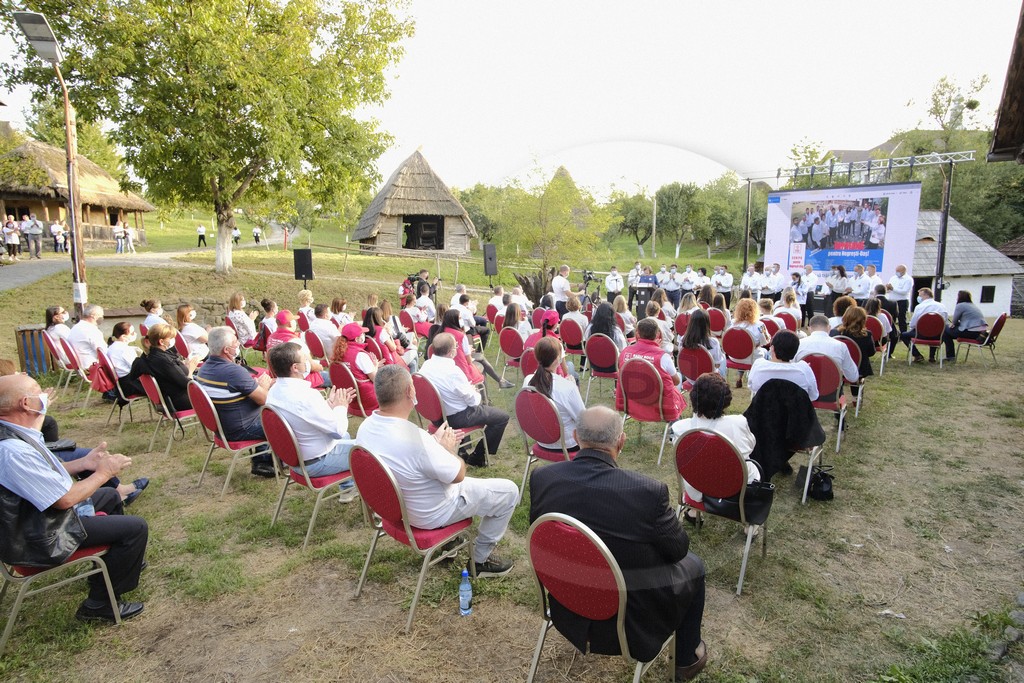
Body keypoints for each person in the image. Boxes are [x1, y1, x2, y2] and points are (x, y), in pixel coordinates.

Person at [529, 405, 708, 680]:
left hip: (565, 603)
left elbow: (543, 536)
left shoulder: (543, 478)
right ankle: (685, 658)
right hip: (629, 623)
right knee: (694, 565)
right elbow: (677, 550)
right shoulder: (647, 493)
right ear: (620, 441)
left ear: (576, 437)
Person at [0, 374, 149, 623]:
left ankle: (115, 567)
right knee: (135, 528)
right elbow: (65, 500)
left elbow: (40, 478)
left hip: (34, 520)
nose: (46, 395)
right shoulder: (13, 451)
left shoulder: (15, 434)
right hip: (37, 536)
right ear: (26, 403)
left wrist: (83, 463)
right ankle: (100, 604)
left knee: (111, 496)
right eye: (40, 391)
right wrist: (103, 472)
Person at [356, 365, 517, 577]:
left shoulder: (366, 427)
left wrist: (433, 444)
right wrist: (447, 450)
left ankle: (453, 541)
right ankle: (481, 560)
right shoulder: (415, 439)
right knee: (509, 492)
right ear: (409, 392)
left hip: (396, 509)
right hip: (430, 514)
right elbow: (458, 474)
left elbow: (407, 457)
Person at [265, 343, 358, 501]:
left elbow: (304, 417)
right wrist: (341, 407)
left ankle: (348, 488)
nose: (309, 362)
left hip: (294, 460)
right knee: (372, 451)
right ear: (295, 367)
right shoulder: (306, 396)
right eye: (305, 359)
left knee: (348, 437)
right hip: (315, 463)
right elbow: (338, 430)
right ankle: (384, 505)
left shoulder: (274, 391)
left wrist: (328, 405)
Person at [671, 372, 758, 520]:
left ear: (693, 398)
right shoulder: (738, 422)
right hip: (736, 488)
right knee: (754, 467)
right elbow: (750, 446)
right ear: (726, 400)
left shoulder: (680, 429)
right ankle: (751, 524)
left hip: (698, 487)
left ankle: (693, 511)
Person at [194, 327, 276, 477]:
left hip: (222, 426)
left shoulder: (204, 368)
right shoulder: (234, 371)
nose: (238, 343)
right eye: (235, 341)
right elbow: (264, 399)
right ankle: (295, 463)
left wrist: (253, 385)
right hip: (241, 428)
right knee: (283, 420)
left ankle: (262, 460)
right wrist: (263, 386)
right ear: (226, 350)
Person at [419, 333, 510, 467]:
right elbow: (474, 402)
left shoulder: (426, 366)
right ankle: (477, 456)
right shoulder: (453, 371)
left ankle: (462, 450)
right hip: (456, 417)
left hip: (436, 417)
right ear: (451, 352)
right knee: (502, 417)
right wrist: (472, 390)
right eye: (456, 346)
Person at [615, 319, 685, 421]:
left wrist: (654, 348)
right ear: (657, 335)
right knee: (677, 375)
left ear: (637, 334)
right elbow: (676, 381)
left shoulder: (625, 352)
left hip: (632, 401)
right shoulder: (663, 357)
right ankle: (674, 426)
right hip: (659, 405)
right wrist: (657, 349)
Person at [136, 324, 200, 413]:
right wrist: (190, 369)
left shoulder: (152, 355)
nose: (173, 340)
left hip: (175, 396)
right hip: (182, 400)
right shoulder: (163, 360)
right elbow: (187, 384)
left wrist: (185, 365)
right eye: (171, 338)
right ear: (161, 341)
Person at [795, 316, 859, 401]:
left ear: (809, 329)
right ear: (829, 328)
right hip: (832, 394)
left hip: (804, 392)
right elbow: (853, 377)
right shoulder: (840, 346)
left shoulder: (799, 344)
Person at [747, 330, 817, 400]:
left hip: (765, 409)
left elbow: (752, 386)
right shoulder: (803, 369)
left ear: (772, 348)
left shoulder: (759, 365)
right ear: (795, 350)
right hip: (794, 410)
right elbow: (813, 396)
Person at [331, 322, 382, 412]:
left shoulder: (338, 352)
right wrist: (376, 365)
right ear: (357, 339)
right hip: (367, 399)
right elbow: (376, 379)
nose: (364, 335)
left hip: (347, 398)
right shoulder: (360, 355)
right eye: (362, 333)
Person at [830, 306, 874, 400]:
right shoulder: (867, 335)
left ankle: (839, 397)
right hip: (859, 368)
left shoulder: (835, 333)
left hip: (838, 367)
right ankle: (856, 398)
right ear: (863, 320)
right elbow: (871, 352)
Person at [729, 298, 769, 388]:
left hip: (734, 356)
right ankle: (760, 382)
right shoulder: (759, 325)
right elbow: (765, 341)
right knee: (766, 352)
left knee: (743, 349)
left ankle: (740, 377)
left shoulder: (733, 324)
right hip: (751, 358)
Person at [901, 288, 948, 363]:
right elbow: (944, 322)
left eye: (920, 295)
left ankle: (917, 355)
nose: (919, 298)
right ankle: (932, 356)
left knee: (903, 335)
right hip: (938, 335)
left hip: (921, 334)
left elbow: (913, 324)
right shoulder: (942, 306)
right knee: (934, 329)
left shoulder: (919, 307)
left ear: (926, 295)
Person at [942, 290, 988, 363]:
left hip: (970, 332)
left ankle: (950, 356)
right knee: (947, 333)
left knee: (945, 330)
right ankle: (950, 356)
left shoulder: (960, 305)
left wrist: (951, 325)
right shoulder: (972, 305)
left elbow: (954, 321)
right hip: (980, 333)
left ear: (960, 297)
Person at [680, 308, 726, 377]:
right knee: (723, 357)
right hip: (708, 378)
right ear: (707, 324)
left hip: (690, 377)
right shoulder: (713, 342)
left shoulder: (683, 339)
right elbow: (717, 364)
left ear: (691, 323)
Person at [105, 322, 145, 397]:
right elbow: (137, 368)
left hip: (122, 384)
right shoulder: (125, 350)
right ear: (123, 336)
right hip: (131, 385)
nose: (135, 334)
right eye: (132, 333)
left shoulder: (111, 347)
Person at [67, 303, 106, 369]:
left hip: (80, 364)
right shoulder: (92, 331)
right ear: (93, 316)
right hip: (91, 367)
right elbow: (103, 352)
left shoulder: (76, 327)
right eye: (101, 315)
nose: (102, 317)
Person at [886, 264, 913, 334]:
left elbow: (905, 291)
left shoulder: (908, 279)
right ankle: (892, 334)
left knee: (901, 319)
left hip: (902, 301)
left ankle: (903, 334)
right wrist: (887, 288)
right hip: (892, 301)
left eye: (898, 271)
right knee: (891, 318)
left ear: (903, 271)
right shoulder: (893, 278)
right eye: (896, 270)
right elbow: (890, 289)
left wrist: (893, 289)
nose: (896, 272)